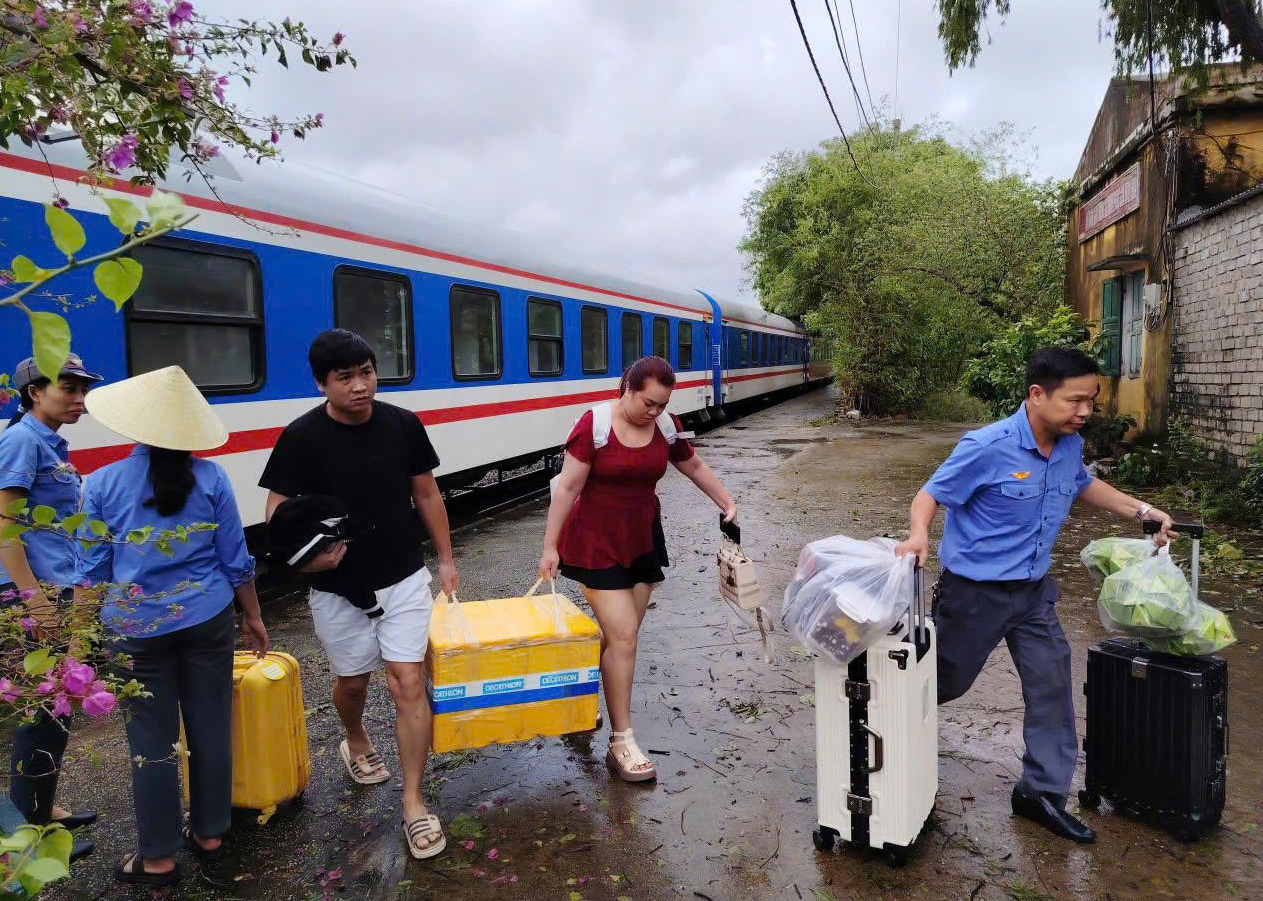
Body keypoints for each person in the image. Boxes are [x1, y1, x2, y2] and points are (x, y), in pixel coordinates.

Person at [894, 347, 1176, 844]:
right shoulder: (987, 445)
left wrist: (1141, 511)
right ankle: (880, 739)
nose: (1084, 412)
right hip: (974, 595)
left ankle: (1040, 793)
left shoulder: (1069, 445)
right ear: (1037, 395)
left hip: (1033, 594)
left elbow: (1083, 484)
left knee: (1051, 686)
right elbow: (930, 494)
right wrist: (919, 534)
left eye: (1091, 401)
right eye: (1075, 401)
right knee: (939, 683)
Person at [259, 329, 458, 860]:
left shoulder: (402, 425)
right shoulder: (301, 437)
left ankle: (414, 803)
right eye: (345, 377)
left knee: (408, 680)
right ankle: (356, 738)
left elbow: (426, 492)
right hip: (336, 586)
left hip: (403, 574)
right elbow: (277, 509)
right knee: (352, 682)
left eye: (367, 372)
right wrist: (306, 557)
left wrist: (445, 558)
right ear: (323, 383)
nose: (360, 385)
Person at [74, 366, 268, 887]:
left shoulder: (103, 483)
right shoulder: (212, 478)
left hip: (134, 628)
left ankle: (157, 857)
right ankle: (209, 832)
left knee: (150, 741)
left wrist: (77, 639)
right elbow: (236, 559)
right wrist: (252, 615)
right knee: (210, 725)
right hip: (206, 618)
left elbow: (92, 572)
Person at [538, 356, 737, 783]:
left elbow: (693, 465)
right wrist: (550, 546)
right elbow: (569, 486)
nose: (655, 412)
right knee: (625, 637)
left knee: (619, 638)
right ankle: (621, 742)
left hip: (643, 538)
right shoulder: (593, 426)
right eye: (648, 403)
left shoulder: (665, 427)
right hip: (596, 543)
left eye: (662, 405)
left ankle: (579, 698)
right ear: (627, 388)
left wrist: (726, 501)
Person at [0, 354, 102, 862]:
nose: (81, 397)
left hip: (55, 590)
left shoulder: (47, 443)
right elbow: (5, 525)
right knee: (41, 709)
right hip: (36, 595)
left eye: (84, 388)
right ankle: (28, 837)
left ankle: (41, 808)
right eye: (70, 388)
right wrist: (32, 599)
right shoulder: (22, 441)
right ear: (35, 393)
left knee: (58, 704)